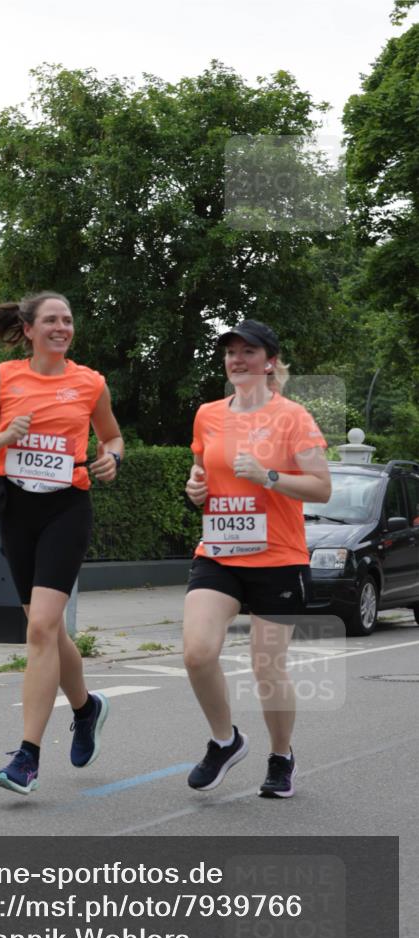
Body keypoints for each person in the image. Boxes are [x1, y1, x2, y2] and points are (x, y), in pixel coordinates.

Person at [0, 292, 124, 795]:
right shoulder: (4, 378)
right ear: (28, 329)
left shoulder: (90, 382)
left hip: (66, 509)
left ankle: (26, 757)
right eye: (51, 320)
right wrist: (3, 438)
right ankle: (86, 708)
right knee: (44, 630)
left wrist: (114, 458)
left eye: (68, 320)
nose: (61, 327)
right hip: (18, 510)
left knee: (43, 628)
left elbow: (112, 437)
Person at [183, 319, 330, 798]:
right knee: (197, 653)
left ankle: (281, 756)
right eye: (231, 352)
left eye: (249, 352)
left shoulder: (294, 417)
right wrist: (195, 488)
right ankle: (225, 741)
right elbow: (201, 475)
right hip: (221, 552)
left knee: (267, 666)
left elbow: (321, 488)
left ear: (270, 362)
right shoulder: (207, 414)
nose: (237, 359)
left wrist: (269, 476)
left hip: (278, 557)